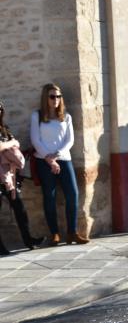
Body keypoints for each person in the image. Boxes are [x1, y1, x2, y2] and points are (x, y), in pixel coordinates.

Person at [30, 84, 89, 247]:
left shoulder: (66, 116)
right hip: (43, 160)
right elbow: (35, 140)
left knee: (72, 194)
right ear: (45, 98)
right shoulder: (37, 116)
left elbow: (69, 140)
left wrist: (55, 156)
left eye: (58, 96)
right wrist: (49, 160)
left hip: (63, 158)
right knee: (50, 196)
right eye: (52, 96)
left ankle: (72, 232)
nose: (56, 99)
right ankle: (54, 233)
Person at [0, 101, 44, 256]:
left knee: (19, 208)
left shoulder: (4, 129)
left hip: (8, 177)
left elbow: (16, 145)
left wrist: (11, 143)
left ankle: (28, 240)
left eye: (0, 109)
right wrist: (11, 143)